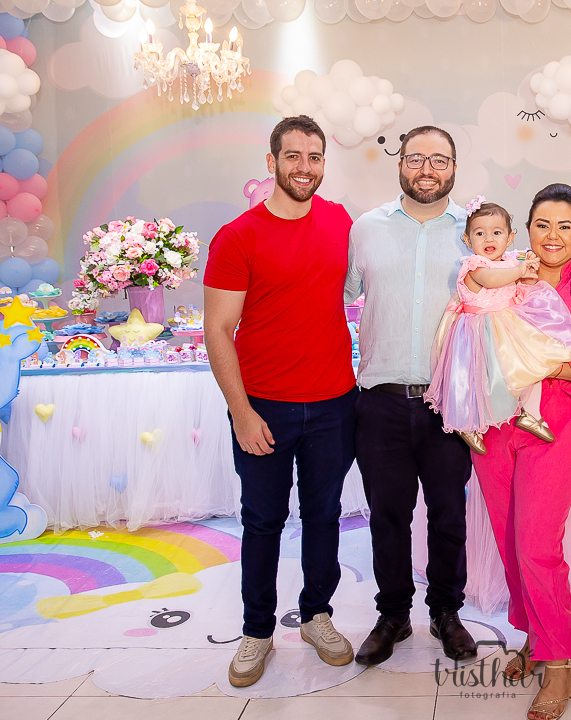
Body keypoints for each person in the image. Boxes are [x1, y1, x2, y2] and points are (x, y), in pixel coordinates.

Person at [204, 116, 358, 687]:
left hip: (334, 403)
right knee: (263, 522)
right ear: (271, 162)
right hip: (263, 407)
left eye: (314, 157)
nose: (304, 167)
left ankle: (317, 616)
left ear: (324, 164)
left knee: (324, 517)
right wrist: (242, 412)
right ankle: (257, 631)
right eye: (292, 156)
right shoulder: (237, 236)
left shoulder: (340, 221)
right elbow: (218, 330)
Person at [472, 184, 571, 720]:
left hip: (556, 427)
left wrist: (558, 368)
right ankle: (535, 639)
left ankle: (560, 664)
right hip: (495, 426)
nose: (553, 236)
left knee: (538, 544)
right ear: (527, 230)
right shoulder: (506, 273)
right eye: (542, 224)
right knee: (510, 540)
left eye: (565, 226)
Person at [344, 125, 478, 665]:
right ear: (400, 163)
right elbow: (340, 296)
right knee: (387, 517)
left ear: (454, 167)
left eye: (439, 159)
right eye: (416, 158)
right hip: (380, 401)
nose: (427, 169)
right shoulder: (365, 229)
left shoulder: (474, 231)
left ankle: (446, 611)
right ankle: (393, 615)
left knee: (449, 516)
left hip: (450, 402)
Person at [423, 197, 571, 454]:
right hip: (480, 331)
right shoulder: (475, 266)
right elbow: (491, 280)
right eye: (480, 233)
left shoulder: (509, 262)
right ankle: (466, 422)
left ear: (509, 238)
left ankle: (530, 412)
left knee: (532, 365)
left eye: (497, 232)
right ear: (467, 240)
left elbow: (517, 286)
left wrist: (527, 277)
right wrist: (519, 271)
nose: (489, 239)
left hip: (507, 326)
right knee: (475, 380)